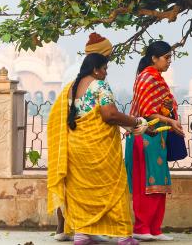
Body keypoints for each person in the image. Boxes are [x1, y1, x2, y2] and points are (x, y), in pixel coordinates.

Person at [47, 53, 147, 245]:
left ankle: (82, 234)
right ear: (95, 69)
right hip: (99, 148)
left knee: (82, 191)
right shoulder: (100, 85)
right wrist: (137, 122)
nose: (105, 73)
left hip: (76, 148)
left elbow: (57, 117)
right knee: (114, 188)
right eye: (104, 69)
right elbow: (109, 115)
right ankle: (123, 236)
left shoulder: (69, 89)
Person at [53, 33, 114, 243]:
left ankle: (71, 229)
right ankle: (74, 228)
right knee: (87, 184)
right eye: (109, 55)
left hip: (72, 132)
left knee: (72, 182)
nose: (110, 61)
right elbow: (105, 111)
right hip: (89, 135)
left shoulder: (81, 71)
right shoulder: (95, 77)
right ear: (102, 57)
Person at [125, 41, 184, 241]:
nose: (169, 62)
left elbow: (160, 109)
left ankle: (155, 229)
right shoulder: (146, 78)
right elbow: (147, 112)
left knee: (159, 183)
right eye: (166, 58)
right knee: (146, 184)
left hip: (158, 137)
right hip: (144, 136)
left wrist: (168, 113)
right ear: (154, 58)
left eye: (170, 58)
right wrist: (171, 120)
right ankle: (141, 228)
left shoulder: (158, 78)